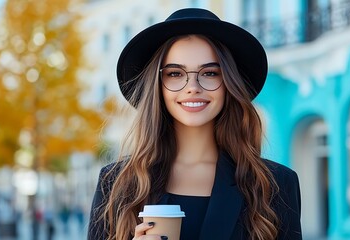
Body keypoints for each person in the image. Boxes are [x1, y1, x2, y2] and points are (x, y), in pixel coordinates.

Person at [88, 8, 302, 240]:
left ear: (229, 83)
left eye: (210, 73)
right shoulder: (116, 184)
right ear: (157, 86)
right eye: (175, 74)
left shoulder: (275, 184)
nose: (193, 87)